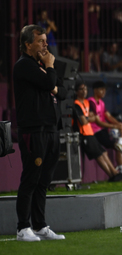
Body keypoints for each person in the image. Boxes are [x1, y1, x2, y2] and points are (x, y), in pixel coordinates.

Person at [13, 24, 66, 241]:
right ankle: (23, 227)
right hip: (34, 130)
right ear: (28, 44)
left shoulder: (41, 65)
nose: (46, 44)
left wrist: (50, 82)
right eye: (40, 41)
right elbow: (49, 82)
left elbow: (61, 90)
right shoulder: (24, 65)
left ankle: (40, 225)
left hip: (51, 128)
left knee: (44, 181)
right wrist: (51, 69)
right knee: (31, 179)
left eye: (46, 40)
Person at [73, 82, 122, 181]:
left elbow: (93, 118)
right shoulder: (77, 104)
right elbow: (84, 121)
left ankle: (115, 174)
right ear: (76, 91)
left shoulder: (86, 102)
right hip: (84, 134)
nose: (84, 91)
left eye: (85, 89)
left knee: (103, 153)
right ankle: (113, 174)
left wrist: (89, 118)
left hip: (90, 132)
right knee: (99, 155)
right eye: (81, 89)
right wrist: (90, 118)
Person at [87, 81, 122, 175]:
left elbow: (108, 116)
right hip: (96, 132)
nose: (103, 92)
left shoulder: (101, 102)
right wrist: (114, 126)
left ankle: (120, 145)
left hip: (104, 130)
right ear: (95, 90)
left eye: (104, 90)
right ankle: (120, 172)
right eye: (101, 89)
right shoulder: (91, 102)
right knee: (115, 149)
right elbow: (98, 121)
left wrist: (119, 124)